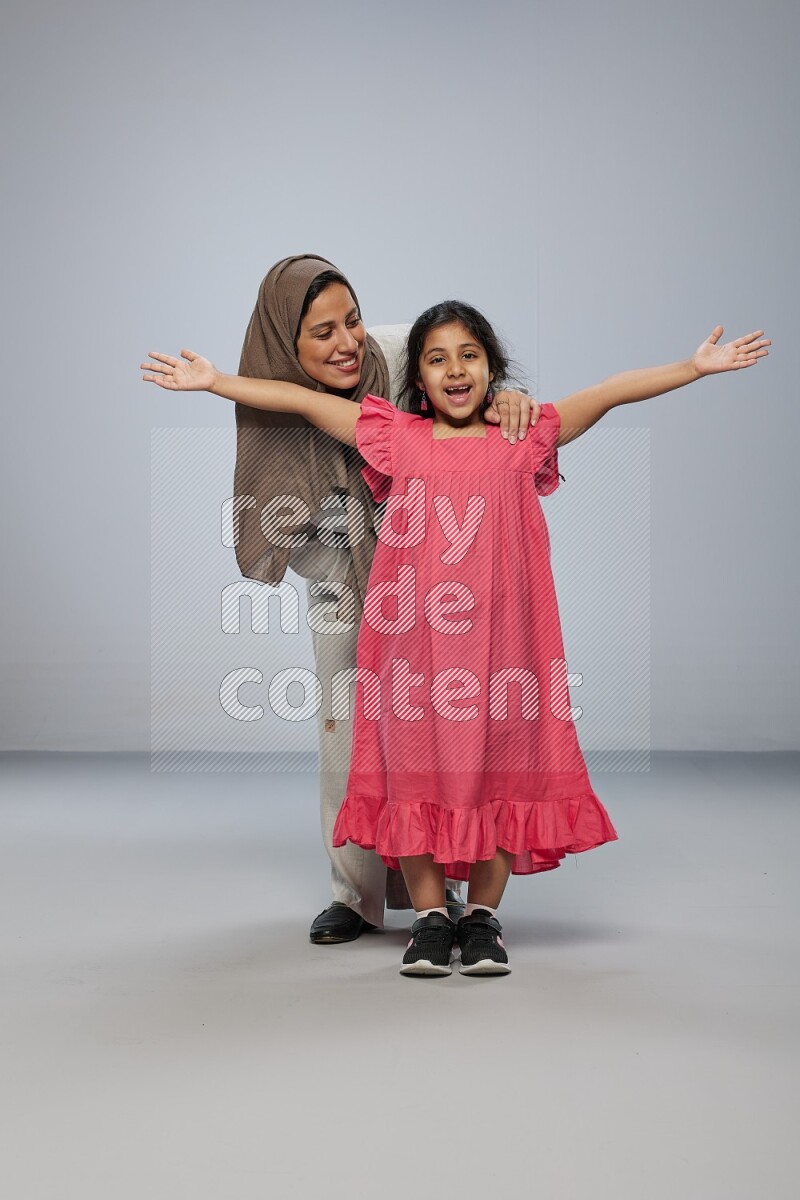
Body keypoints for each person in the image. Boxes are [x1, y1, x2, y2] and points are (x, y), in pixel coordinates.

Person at [142, 302, 770, 978]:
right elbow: (299, 401)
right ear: (418, 378)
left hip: (505, 651)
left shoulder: (525, 437)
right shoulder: (396, 437)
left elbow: (610, 392)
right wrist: (215, 382)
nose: (455, 370)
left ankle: (483, 920)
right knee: (414, 771)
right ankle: (432, 919)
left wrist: (694, 368)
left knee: (500, 772)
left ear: (493, 367)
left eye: (469, 355)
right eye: (437, 359)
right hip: (413, 650)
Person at [200, 256, 540, 944]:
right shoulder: (271, 399)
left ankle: (441, 893)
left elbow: (465, 381)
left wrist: (510, 397)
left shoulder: (393, 353)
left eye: (351, 320)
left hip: (443, 575)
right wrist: (371, 576)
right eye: (321, 333)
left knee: (442, 729)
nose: (346, 342)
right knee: (347, 729)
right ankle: (354, 896)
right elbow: (280, 521)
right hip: (342, 571)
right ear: (285, 345)